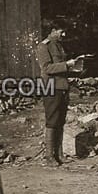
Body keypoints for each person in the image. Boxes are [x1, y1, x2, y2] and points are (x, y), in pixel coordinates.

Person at [35, 20, 81, 167]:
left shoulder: (58, 46)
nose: (63, 34)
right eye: (61, 31)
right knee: (52, 120)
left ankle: (59, 155)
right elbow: (47, 68)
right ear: (52, 30)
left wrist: (73, 69)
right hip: (51, 87)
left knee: (60, 121)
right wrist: (67, 65)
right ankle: (49, 157)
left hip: (62, 87)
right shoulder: (43, 46)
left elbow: (60, 68)